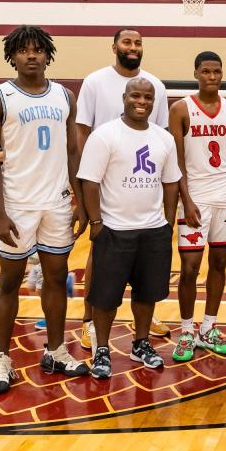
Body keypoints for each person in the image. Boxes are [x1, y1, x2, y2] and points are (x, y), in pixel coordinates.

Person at [0, 25, 89, 394]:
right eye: (23, 50)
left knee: (56, 277)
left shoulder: (64, 95)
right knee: (9, 280)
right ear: (12, 56)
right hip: (17, 204)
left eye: (38, 50)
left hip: (56, 203)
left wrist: (81, 200)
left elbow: (73, 151)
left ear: (48, 55)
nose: (31, 55)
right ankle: (2, 359)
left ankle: (56, 350)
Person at [78, 78, 182, 378]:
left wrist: (169, 220)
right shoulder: (105, 135)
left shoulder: (164, 139)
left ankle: (141, 342)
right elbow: (89, 181)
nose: (142, 101)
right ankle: (102, 348)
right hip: (114, 230)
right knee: (105, 297)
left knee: (147, 294)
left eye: (148, 97)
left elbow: (171, 180)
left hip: (153, 230)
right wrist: (97, 223)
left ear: (154, 101)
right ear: (124, 97)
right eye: (135, 95)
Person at [76, 28, 170, 349]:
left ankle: (141, 319)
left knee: (146, 260)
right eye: (127, 42)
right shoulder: (94, 82)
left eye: (138, 42)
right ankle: (89, 320)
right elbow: (81, 133)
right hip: (101, 178)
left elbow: (160, 139)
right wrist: (81, 186)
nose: (133, 47)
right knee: (98, 253)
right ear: (114, 46)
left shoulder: (155, 85)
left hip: (139, 180)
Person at [169, 51, 226, 362]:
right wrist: (185, 199)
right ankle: (186, 330)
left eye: (216, 72)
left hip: (225, 193)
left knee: (219, 264)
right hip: (195, 196)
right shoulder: (180, 108)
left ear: (221, 74)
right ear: (196, 73)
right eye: (205, 71)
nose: (211, 77)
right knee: (189, 268)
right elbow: (176, 161)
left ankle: (209, 327)